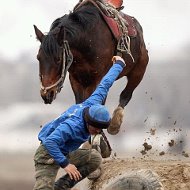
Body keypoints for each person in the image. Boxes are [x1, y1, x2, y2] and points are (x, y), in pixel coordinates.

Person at [33, 55, 126, 190]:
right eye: (96, 129)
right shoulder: (71, 126)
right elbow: (50, 142)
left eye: (101, 129)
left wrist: (119, 65)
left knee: (94, 158)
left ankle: (62, 186)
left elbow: (105, 84)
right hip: (48, 154)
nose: (98, 132)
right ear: (88, 122)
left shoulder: (92, 103)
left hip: (65, 151)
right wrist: (66, 165)